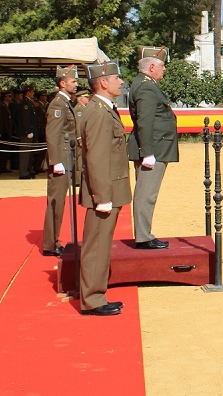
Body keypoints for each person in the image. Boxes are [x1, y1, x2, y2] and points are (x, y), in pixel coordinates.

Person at [78, 61, 131, 316]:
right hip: (104, 191)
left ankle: (96, 294)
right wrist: (102, 196)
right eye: (116, 78)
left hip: (108, 188)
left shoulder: (103, 108)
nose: (121, 82)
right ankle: (93, 299)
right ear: (103, 82)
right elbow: (96, 157)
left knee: (100, 244)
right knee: (97, 246)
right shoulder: (99, 112)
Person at [126, 46, 178, 250]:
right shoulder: (147, 87)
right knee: (146, 194)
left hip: (154, 147)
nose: (164, 69)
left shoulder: (146, 84)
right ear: (152, 66)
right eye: (163, 66)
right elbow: (145, 122)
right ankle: (143, 237)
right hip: (152, 149)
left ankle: (144, 234)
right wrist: (147, 153)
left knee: (147, 193)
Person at [42, 65, 79, 257]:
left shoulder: (65, 103)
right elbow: (53, 134)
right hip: (61, 159)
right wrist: (56, 161)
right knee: (56, 202)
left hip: (66, 157)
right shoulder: (58, 104)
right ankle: (50, 243)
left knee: (59, 202)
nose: (76, 84)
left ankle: (53, 239)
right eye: (73, 81)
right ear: (62, 83)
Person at [17, 85, 42, 179]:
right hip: (26, 133)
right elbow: (25, 119)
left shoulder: (29, 102)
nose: (33, 93)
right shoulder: (25, 103)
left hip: (31, 132)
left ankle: (27, 170)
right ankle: (23, 172)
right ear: (27, 92)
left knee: (29, 154)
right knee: (25, 154)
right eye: (32, 92)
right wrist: (28, 131)